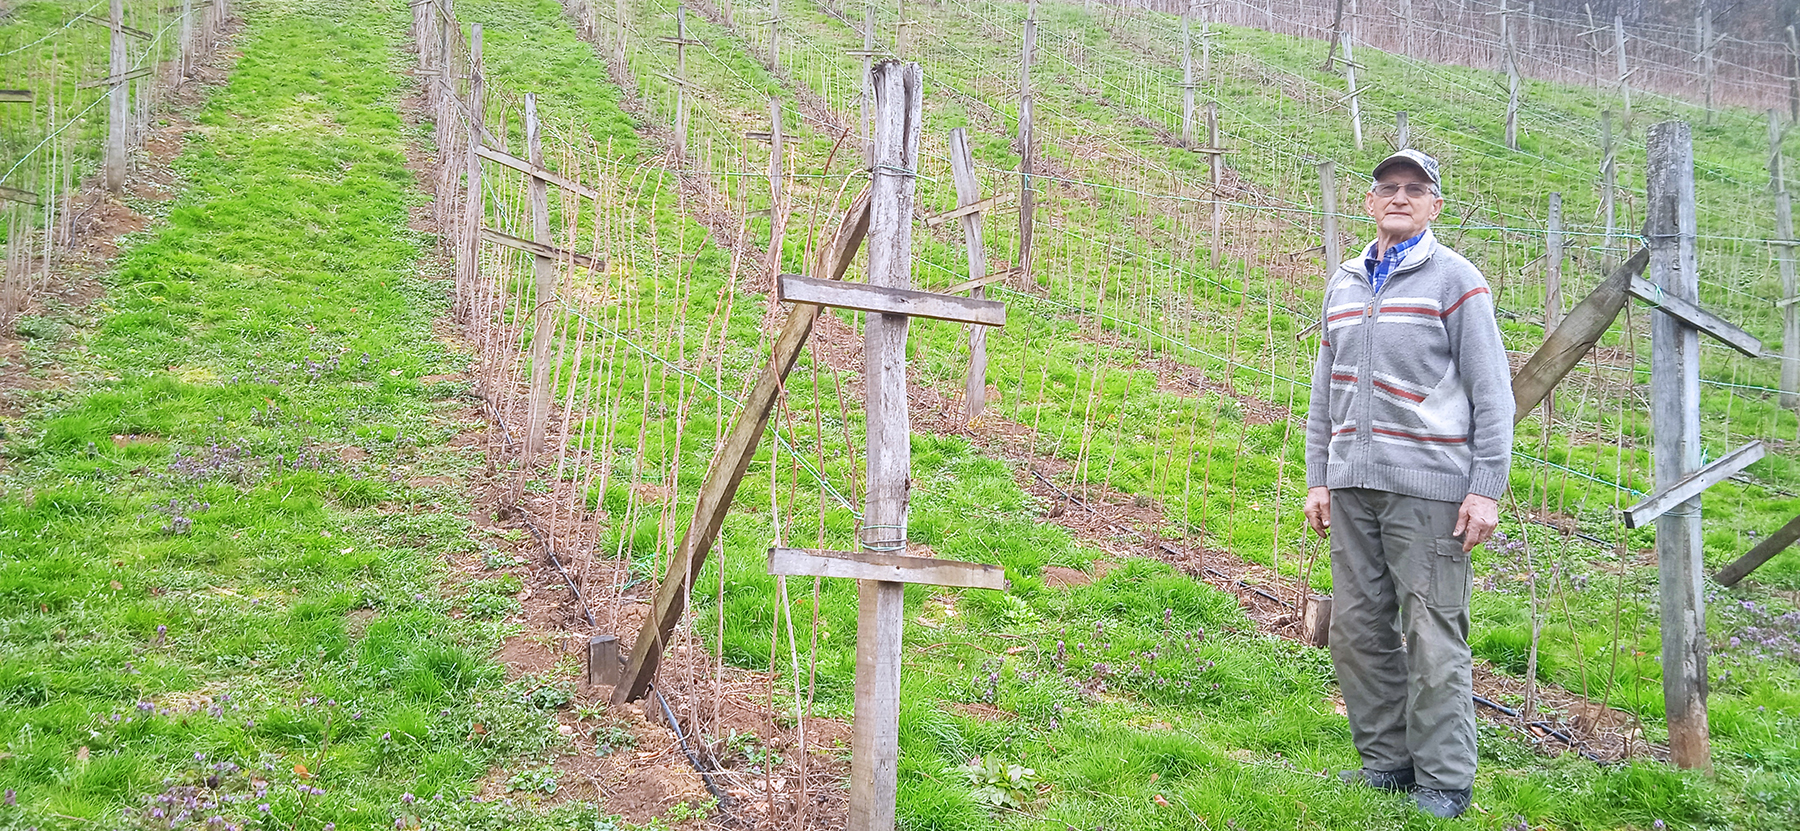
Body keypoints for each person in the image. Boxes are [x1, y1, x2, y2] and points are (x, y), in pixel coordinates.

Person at [1302, 149, 1513, 820]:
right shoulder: (1344, 281)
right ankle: (1387, 763)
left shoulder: (1457, 280)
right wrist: (1320, 479)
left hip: (1429, 491)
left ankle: (1446, 781)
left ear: (1434, 206)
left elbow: (1492, 393)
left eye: (1414, 189)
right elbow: (1322, 393)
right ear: (1369, 203)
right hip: (1352, 486)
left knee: (1431, 632)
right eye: (1388, 187)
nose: (1399, 196)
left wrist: (1484, 487)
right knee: (1357, 629)